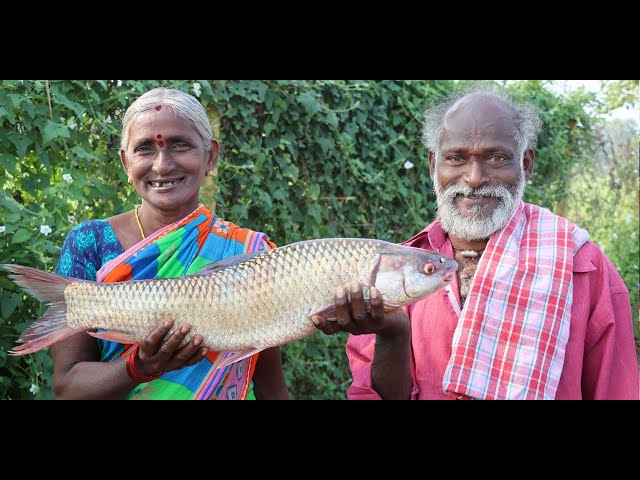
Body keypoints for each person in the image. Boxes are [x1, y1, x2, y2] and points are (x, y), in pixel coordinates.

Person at [312, 85, 639, 400]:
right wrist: (393, 334)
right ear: (433, 166)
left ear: (525, 165)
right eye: (456, 158)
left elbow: (617, 389)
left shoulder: (581, 265)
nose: (474, 178)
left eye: (496, 158)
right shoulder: (393, 269)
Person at [51, 87, 290, 400]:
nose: (162, 165)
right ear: (126, 163)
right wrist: (138, 367)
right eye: (145, 149)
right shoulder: (90, 244)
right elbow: (68, 388)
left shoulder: (251, 254)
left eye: (180, 146)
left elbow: (272, 388)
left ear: (211, 156)